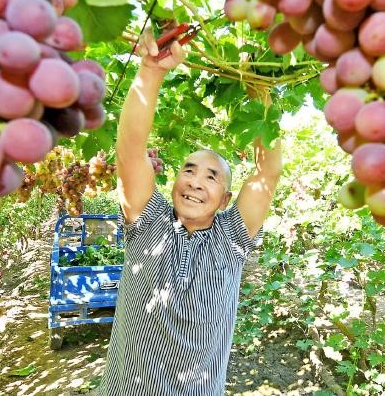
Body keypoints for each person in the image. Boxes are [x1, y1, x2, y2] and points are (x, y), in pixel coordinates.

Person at [98, 28, 283, 395]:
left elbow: (267, 174)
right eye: (189, 170)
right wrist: (151, 72)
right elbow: (131, 152)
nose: (196, 182)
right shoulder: (149, 222)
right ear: (173, 182)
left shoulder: (232, 239)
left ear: (226, 199)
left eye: (212, 177)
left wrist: (264, 92)